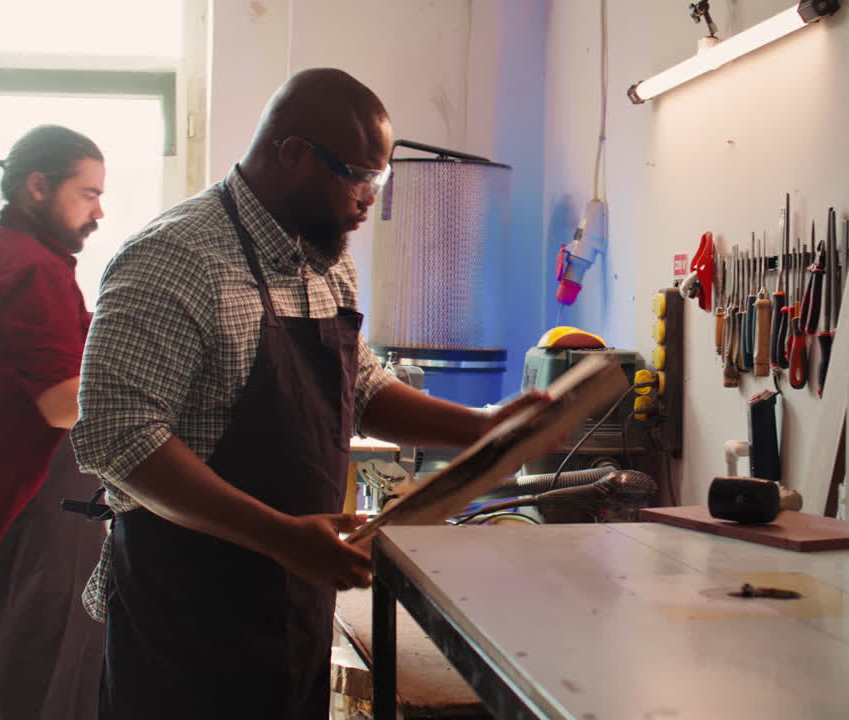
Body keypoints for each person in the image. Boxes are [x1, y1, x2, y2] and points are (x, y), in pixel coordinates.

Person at [70, 67, 542, 719]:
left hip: (291, 603)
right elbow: (120, 439)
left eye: (380, 178)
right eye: (359, 175)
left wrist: (486, 430)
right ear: (292, 155)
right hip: (183, 616)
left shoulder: (325, 262)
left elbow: (364, 389)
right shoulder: (172, 259)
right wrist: (282, 536)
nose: (369, 199)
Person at [0, 124, 108, 720]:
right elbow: (62, 403)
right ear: (39, 186)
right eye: (87, 194)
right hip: (27, 501)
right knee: (39, 679)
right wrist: (148, 388)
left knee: (3, 674)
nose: (99, 212)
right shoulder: (31, 267)